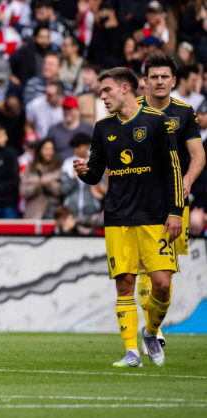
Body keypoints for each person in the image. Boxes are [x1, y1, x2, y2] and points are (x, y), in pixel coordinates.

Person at [74, 67, 184, 368]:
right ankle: (132, 352)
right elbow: (97, 172)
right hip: (118, 216)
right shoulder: (102, 127)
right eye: (100, 92)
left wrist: (175, 212)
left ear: (126, 88)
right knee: (124, 283)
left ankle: (150, 332)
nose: (103, 96)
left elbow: (174, 169)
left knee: (161, 283)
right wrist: (85, 172)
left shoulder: (157, 122)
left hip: (154, 216)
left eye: (107, 90)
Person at [135, 51, 206, 352]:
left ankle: (151, 325)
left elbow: (198, 156)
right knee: (141, 268)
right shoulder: (130, 110)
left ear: (174, 80)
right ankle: (155, 327)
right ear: (146, 81)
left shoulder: (185, 112)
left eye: (165, 76)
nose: (160, 81)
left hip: (172, 203)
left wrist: (187, 180)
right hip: (136, 201)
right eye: (155, 77)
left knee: (164, 272)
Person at [60, 133, 103, 217]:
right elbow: (63, 189)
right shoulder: (67, 163)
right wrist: (74, 179)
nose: (75, 149)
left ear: (87, 145)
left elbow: (102, 187)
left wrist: (98, 187)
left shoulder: (95, 162)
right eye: (74, 146)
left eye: (79, 146)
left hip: (92, 210)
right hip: (71, 211)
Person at [20, 139, 62, 219]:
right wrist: (37, 185)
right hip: (34, 213)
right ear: (39, 150)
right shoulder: (30, 169)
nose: (49, 152)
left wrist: (49, 184)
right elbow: (23, 192)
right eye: (46, 149)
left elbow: (63, 190)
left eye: (51, 149)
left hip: (53, 212)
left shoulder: (59, 167)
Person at [46, 95, 94, 161]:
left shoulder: (88, 128)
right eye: (65, 108)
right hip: (59, 167)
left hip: (83, 166)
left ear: (77, 110)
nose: (67, 111)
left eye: (70, 108)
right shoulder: (53, 130)